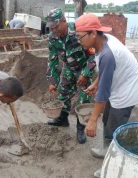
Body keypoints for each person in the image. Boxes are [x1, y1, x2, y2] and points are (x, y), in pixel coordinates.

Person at [75, 14, 138, 177]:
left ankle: (111, 167)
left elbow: (103, 94)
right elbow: (104, 71)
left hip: (126, 93)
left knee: (115, 131)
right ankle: (105, 151)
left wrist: (92, 121)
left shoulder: (108, 53)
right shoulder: (102, 41)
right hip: (119, 86)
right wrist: (95, 84)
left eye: (80, 37)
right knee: (107, 120)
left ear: (93, 33)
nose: (78, 40)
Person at [44, 8, 96, 144]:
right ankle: (62, 119)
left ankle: (80, 127)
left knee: (84, 98)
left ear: (63, 21)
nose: (53, 30)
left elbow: (94, 56)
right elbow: (52, 60)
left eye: (55, 27)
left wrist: (85, 74)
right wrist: (52, 80)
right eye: (51, 27)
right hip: (69, 68)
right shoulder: (52, 38)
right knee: (63, 94)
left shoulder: (79, 32)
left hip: (84, 68)